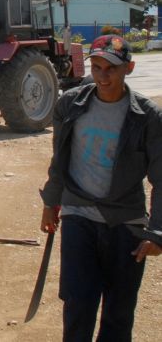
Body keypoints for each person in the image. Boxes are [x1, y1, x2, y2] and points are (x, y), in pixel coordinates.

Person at [39, 34, 162, 340]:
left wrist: (157, 232)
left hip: (126, 222)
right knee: (78, 304)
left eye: (112, 69)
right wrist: (50, 203)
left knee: (119, 313)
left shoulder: (148, 117)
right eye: (97, 68)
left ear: (129, 68)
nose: (103, 77)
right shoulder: (70, 105)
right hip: (79, 214)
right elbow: (59, 158)